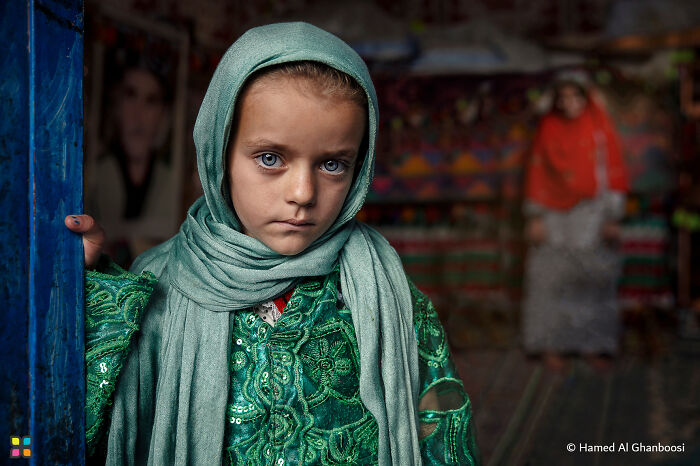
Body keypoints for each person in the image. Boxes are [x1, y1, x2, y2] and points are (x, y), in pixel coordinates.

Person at [67, 22, 480, 465]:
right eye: (270, 158)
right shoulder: (159, 281)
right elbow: (91, 426)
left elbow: (441, 428)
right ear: (218, 152)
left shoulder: (384, 291)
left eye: (333, 164)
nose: (302, 193)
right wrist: (79, 290)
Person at [522, 71, 629, 371]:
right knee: (550, 280)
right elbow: (537, 171)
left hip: (591, 214)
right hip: (553, 214)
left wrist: (612, 216)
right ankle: (550, 345)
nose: (569, 103)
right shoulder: (548, 128)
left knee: (593, 280)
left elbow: (612, 172)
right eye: (563, 97)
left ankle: (593, 345)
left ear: (585, 98)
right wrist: (535, 217)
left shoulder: (599, 129)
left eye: (575, 96)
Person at [87, 63, 177, 266]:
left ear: (163, 114)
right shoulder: (93, 175)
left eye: (151, 101)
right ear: (115, 106)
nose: (139, 114)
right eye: (130, 96)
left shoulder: (170, 180)